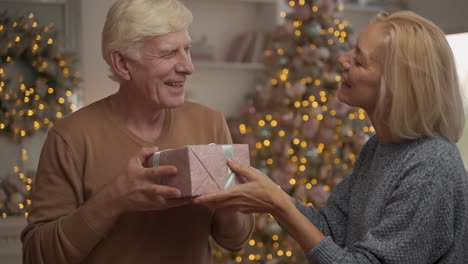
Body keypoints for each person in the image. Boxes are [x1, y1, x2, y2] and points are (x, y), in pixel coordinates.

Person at [195, 11, 468, 263]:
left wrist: (277, 203)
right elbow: (332, 229)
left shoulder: (431, 166)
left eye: (359, 60)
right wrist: (272, 194)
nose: (342, 59)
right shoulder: (378, 147)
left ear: (396, 86)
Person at [21, 0, 253, 263]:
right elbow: (36, 256)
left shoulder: (210, 123)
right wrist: (114, 199)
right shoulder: (69, 138)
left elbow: (236, 240)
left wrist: (229, 208)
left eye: (186, 49)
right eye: (169, 53)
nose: (188, 67)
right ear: (122, 63)